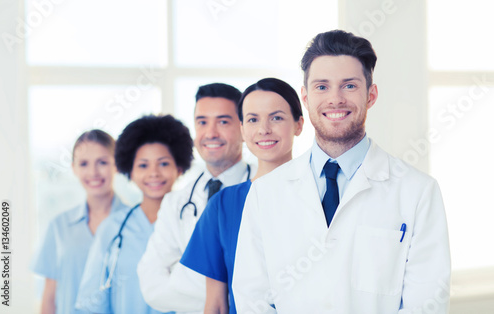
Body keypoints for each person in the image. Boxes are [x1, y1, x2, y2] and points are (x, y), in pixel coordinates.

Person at [232, 30, 451, 313]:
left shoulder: (417, 191)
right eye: (322, 87)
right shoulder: (265, 193)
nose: (335, 99)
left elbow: (426, 305)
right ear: (306, 97)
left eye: (349, 86)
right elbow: (252, 298)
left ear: (371, 95)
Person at [180, 78, 304, 314]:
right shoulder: (224, 206)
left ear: (299, 125)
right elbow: (216, 304)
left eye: (276, 117)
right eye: (253, 119)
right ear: (243, 130)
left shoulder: (321, 194)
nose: (264, 129)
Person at [137, 83, 254, 313]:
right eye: (202, 122)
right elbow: (151, 283)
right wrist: (228, 289)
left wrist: (184, 274)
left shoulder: (263, 189)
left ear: (242, 128)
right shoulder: (175, 203)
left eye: (223, 121)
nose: (210, 133)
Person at [75, 115, 193, 314]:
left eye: (163, 163)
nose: (153, 173)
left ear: (179, 168)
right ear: (130, 170)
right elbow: (90, 304)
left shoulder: (194, 225)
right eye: (143, 165)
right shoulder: (112, 228)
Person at [31, 130, 129, 314]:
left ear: (116, 164)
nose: (93, 172)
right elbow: (49, 298)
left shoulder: (134, 223)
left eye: (102, 162)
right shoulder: (59, 226)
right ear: (74, 168)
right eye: (84, 163)